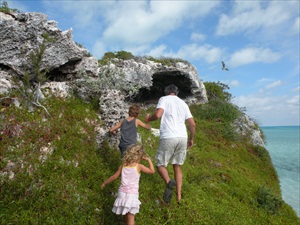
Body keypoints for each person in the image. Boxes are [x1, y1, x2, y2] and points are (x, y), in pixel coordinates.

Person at [144, 84, 195, 204]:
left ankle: (168, 182)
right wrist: (191, 139)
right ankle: (178, 197)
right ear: (176, 93)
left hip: (168, 136)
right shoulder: (183, 103)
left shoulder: (164, 99)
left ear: (166, 92)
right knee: (177, 166)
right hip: (182, 137)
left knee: (160, 164)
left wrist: (148, 119)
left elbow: (157, 115)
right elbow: (192, 124)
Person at [101, 144, 155, 225]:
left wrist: (104, 183)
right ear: (140, 156)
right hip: (132, 194)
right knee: (131, 216)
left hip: (121, 193)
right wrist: (148, 160)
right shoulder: (139, 166)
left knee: (125, 213)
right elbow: (152, 171)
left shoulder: (123, 166)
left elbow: (114, 177)